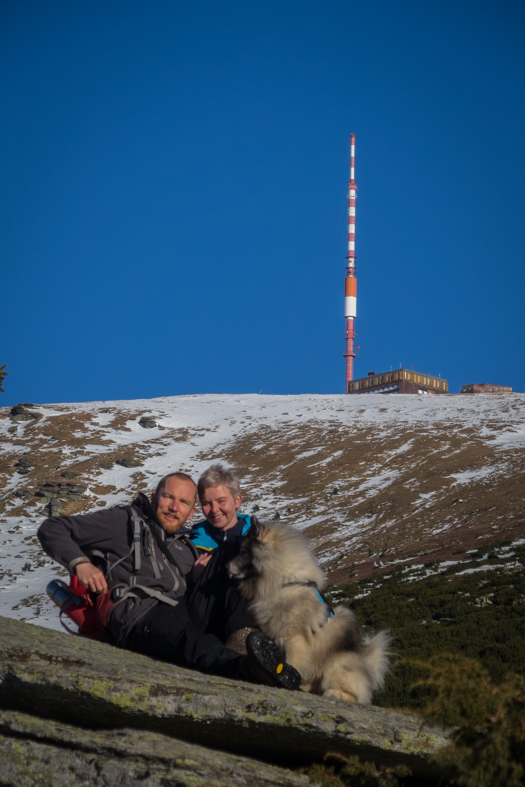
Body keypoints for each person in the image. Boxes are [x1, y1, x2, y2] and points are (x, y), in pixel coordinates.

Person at [37, 471, 300, 689]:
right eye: (168, 498)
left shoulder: (186, 545)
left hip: (181, 609)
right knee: (187, 639)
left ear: (190, 511)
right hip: (141, 611)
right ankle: (244, 671)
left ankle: (246, 643)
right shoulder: (124, 521)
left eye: (184, 503)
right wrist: (79, 564)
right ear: (154, 497)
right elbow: (53, 528)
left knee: (233, 549)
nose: (175, 507)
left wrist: (199, 576)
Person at [187, 464, 258, 653]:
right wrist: (194, 577)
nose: (214, 510)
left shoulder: (258, 537)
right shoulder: (191, 541)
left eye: (221, 501)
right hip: (208, 617)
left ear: (237, 500)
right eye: (206, 503)